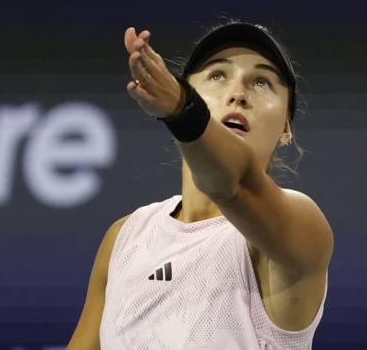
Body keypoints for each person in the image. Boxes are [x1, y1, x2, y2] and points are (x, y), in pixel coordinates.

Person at [67, 21, 334, 349]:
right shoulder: (124, 238)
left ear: (286, 129)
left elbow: (233, 185)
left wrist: (183, 110)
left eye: (262, 81)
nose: (237, 94)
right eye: (217, 75)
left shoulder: (302, 227)